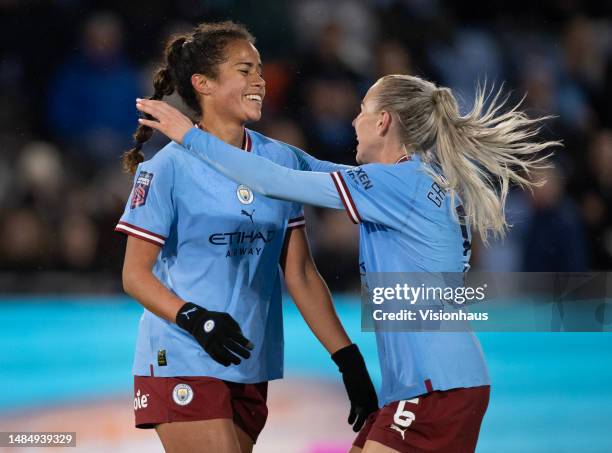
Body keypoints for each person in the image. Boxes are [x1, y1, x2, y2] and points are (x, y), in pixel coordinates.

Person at [136, 74, 559, 452]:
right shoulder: (415, 179)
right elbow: (304, 169)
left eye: (362, 110)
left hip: (434, 387)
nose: (354, 121)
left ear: (384, 121)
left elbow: (274, 181)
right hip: (441, 382)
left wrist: (190, 135)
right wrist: (258, 145)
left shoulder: (394, 185)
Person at [116, 21, 378, 453]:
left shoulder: (279, 160)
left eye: (259, 69)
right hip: (182, 355)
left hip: (248, 360)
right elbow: (135, 276)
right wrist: (195, 318)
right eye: (244, 70)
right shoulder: (166, 169)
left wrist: (347, 358)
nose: (260, 80)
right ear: (203, 83)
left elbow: (301, 275)